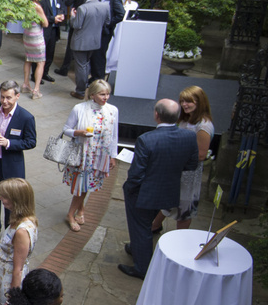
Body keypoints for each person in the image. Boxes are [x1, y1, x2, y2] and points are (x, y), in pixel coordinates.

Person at [121, 100, 199, 279]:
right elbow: (192, 164)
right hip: (169, 190)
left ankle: (142, 268)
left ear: (156, 115)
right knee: (145, 225)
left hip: (144, 193)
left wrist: (130, 188)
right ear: (178, 116)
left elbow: (136, 173)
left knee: (140, 228)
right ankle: (136, 249)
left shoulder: (146, 139)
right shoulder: (188, 137)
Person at [153, 86, 215, 232]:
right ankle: (154, 226)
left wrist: (175, 155)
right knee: (169, 200)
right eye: (182, 101)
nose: (184, 105)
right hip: (177, 169)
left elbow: (200, 155)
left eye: (189, 102)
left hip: (188, 173)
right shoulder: (186, 119)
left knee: (184, 208)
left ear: (200, 102)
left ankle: (179, 237)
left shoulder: (203, 126)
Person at [62, 80, 119, 231]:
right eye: (102, 94)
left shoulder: (113, 110)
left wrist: (113, 155)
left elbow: (114, 135)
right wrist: (78, 133)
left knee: (86, 185)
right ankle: (73, 213)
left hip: (99, 155)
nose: (106, 97)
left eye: (107, 94)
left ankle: (75, 211)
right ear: (92, 94)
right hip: (81, 154)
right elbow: (66, 129)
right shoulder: (79, 108)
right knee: (81, 185)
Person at [0, 80, 37, 230]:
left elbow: (31, 141)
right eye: (2, 97)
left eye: (8, 97)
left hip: (11, 164)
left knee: (11, 199)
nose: (4, 101)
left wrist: (8, 143)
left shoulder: (26, 117)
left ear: (17, 96)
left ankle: (10, 229)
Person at [68, 0, 108, 99]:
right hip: (94, 42)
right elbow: (107, 21)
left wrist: (72, 16)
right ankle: (85, 87)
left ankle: (80, 91)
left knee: (81, 67)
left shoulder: (83, 8)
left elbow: (76, 25)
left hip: (81, 42)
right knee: (85, 65)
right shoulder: (105, 6)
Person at [91, 0, 125, 82]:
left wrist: (108, 24)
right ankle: (95, 76)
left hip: (105, 32)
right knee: (95, 55)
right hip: (97, 30)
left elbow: (120, 14)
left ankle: (99, 78)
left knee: (100, 55)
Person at [21, 0, 49, 100]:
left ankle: (25, 84)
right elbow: (45, 23)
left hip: (27, 34)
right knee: (40, 62)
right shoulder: (37, 6)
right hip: (36, 35)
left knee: (28, 59)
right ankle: (36, 89)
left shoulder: (25, 4)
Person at [40, 0, 65, 82]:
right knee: (41, 53)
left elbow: (62, 8)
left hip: (55, 30)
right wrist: (52, 18)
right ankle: (36, 74)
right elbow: (42, 15)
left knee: (50, 52)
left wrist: (61, 15)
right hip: (45, 29)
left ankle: (45, 72)